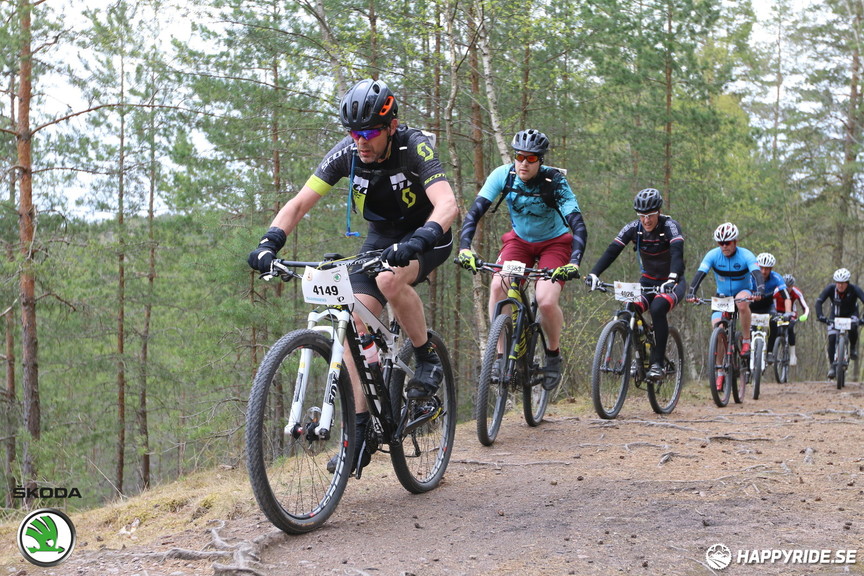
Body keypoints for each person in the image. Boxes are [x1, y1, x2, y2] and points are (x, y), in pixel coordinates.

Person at [248, 79, 458, 473]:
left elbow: (447, 205)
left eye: (368, 133)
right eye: (353, 132)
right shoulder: (347, 153)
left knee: (390, 280)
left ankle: (426, 355)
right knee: (353, 313)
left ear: (391, 126)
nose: (360, 141)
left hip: (428, 234)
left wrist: (421, 239)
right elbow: (298, 203)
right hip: (381, 237)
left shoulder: (415, 146)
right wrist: (269, 242)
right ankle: (361, 430)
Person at [456, 129, 587, 391]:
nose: (524, 163)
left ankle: (552, 354)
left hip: (555, 242)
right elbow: (474, 213)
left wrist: (574, 262)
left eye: (531, 158)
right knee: (498, 285)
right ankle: (502, 356)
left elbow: (578, 225)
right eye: (519, 156)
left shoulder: (555, 182)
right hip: (519, 242)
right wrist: (464, 247)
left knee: (546, 300)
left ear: (541, 160)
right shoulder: (503, 175)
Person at [586, 188, 685, 380]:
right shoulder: (633, 228)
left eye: (650, 215)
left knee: (657, 308)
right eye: (642, 216)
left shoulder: (670, 226)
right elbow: (612, 250)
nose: (646, 220)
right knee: (630, 307)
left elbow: (677, 253)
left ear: (659, 211)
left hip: (672, 282)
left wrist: (672, 278)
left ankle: (657, 363)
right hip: (647, 282)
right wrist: (594, 273)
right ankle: (638, 355)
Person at [686, 222, 765, 356]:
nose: (724, 246)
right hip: (722, 296)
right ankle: (719, 371)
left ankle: (746, 340)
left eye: (727, 243)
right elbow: (700, 273)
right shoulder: (712, 255)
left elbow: (757, 274)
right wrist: (691, 292)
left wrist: (760, 290)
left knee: (741, 302)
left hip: (743, 292)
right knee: (718, 330)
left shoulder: (746, 255)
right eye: (720, 243)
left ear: (735, 241)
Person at [814, 268, 864, 379]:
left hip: (851, 314)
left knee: (853, 326)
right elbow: (819, 301)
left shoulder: (855, 289)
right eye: (838, 283)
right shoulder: (831, 289)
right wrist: (820, 316)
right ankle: (832, 366)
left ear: (847, 283)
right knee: (832, 339)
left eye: (843, 283)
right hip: (835, 316)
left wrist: (862, 319)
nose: (840, 286)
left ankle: (852, 348)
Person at [748, 253, 792, 363]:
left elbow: (786, 297)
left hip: (768, 307)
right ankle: (747, 351)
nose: (763, 271)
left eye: (767, 269)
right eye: (761, 268)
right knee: (748, 329)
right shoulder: (750, 276)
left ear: (771, 269)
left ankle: (770, 352)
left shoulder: (776, 277)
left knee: (774, 322)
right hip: (751, 307)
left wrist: (787, 313)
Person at [774, 274, 810, 366]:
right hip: (777, 311)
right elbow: (771, 304)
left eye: (789, 287)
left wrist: (805, 315)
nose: (787, 289)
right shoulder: (777, 290)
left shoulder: (796, 292)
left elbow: (805, 306)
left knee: (790, 328)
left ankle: (792, 355)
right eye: (786, 286)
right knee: (774, 329)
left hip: (791, 313)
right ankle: (774, 350)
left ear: (792, 286)